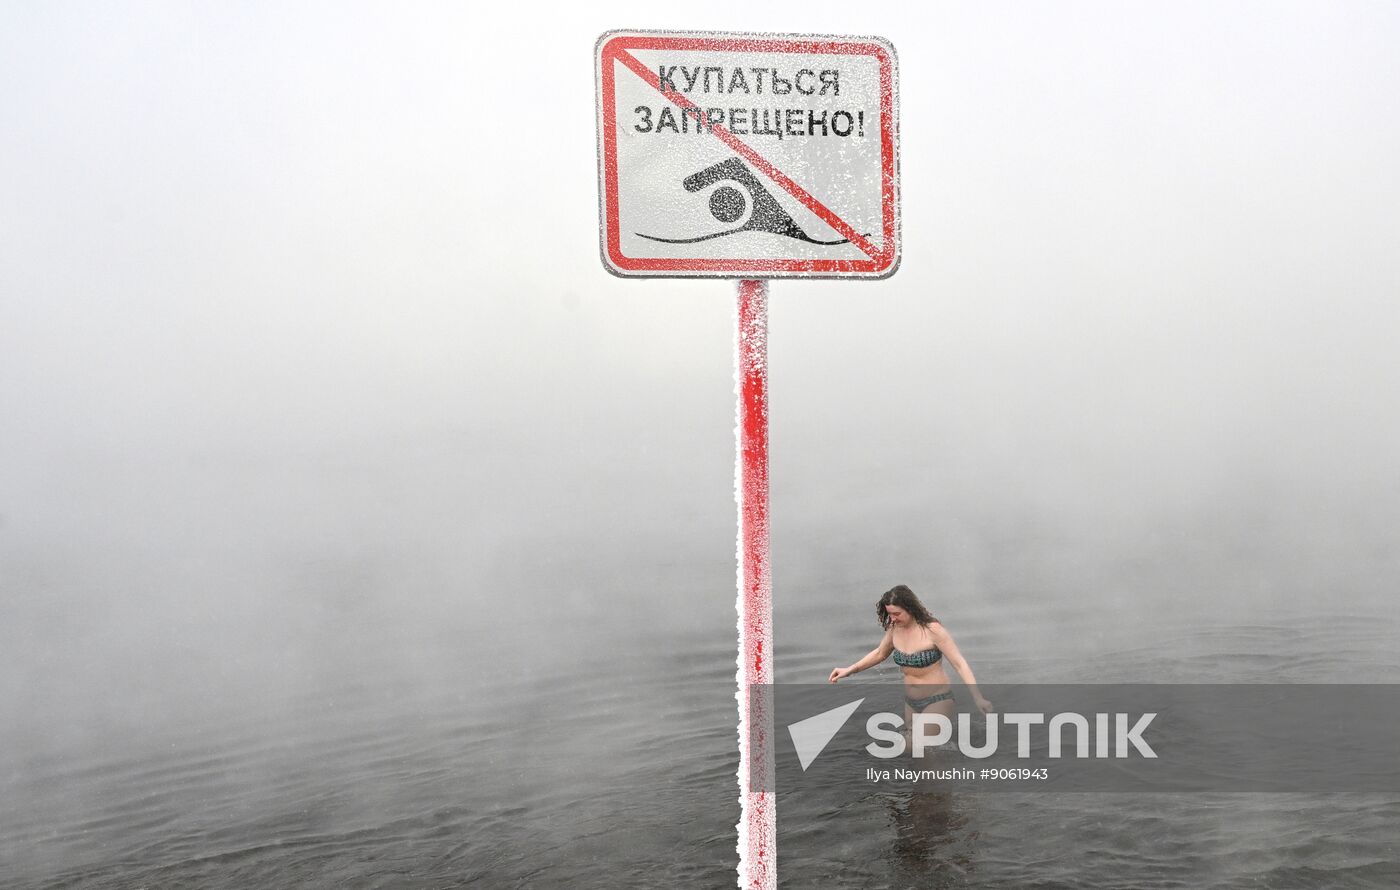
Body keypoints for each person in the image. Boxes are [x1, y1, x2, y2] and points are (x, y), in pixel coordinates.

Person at [828, 585, 993, 726]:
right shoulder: (894, 630)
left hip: (938, 700)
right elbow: (879, 653)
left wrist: (978, 698)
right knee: (917, 756)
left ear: (910, 608)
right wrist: (850, 670)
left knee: (915, 745)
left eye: (897, 613)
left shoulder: (932, 630)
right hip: (911, 704)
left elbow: (959, 664)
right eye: (889, 614)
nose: (892, 618)